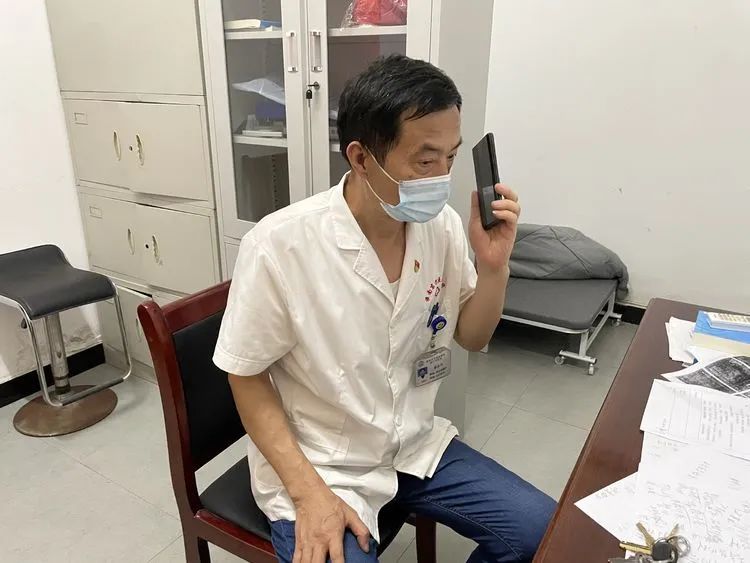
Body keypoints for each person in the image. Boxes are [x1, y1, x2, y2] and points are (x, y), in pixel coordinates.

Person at [213, 54, 555, 563]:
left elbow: (472, 336)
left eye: (451, 158)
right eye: (425, 161)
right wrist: (308, 495)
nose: (441, 178)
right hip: (323, 466)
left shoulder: (440, 227)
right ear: (361, 157)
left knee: (545, 535)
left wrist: (494, 268)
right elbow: (245, 376)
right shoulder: (279, 245)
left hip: (413, 447)